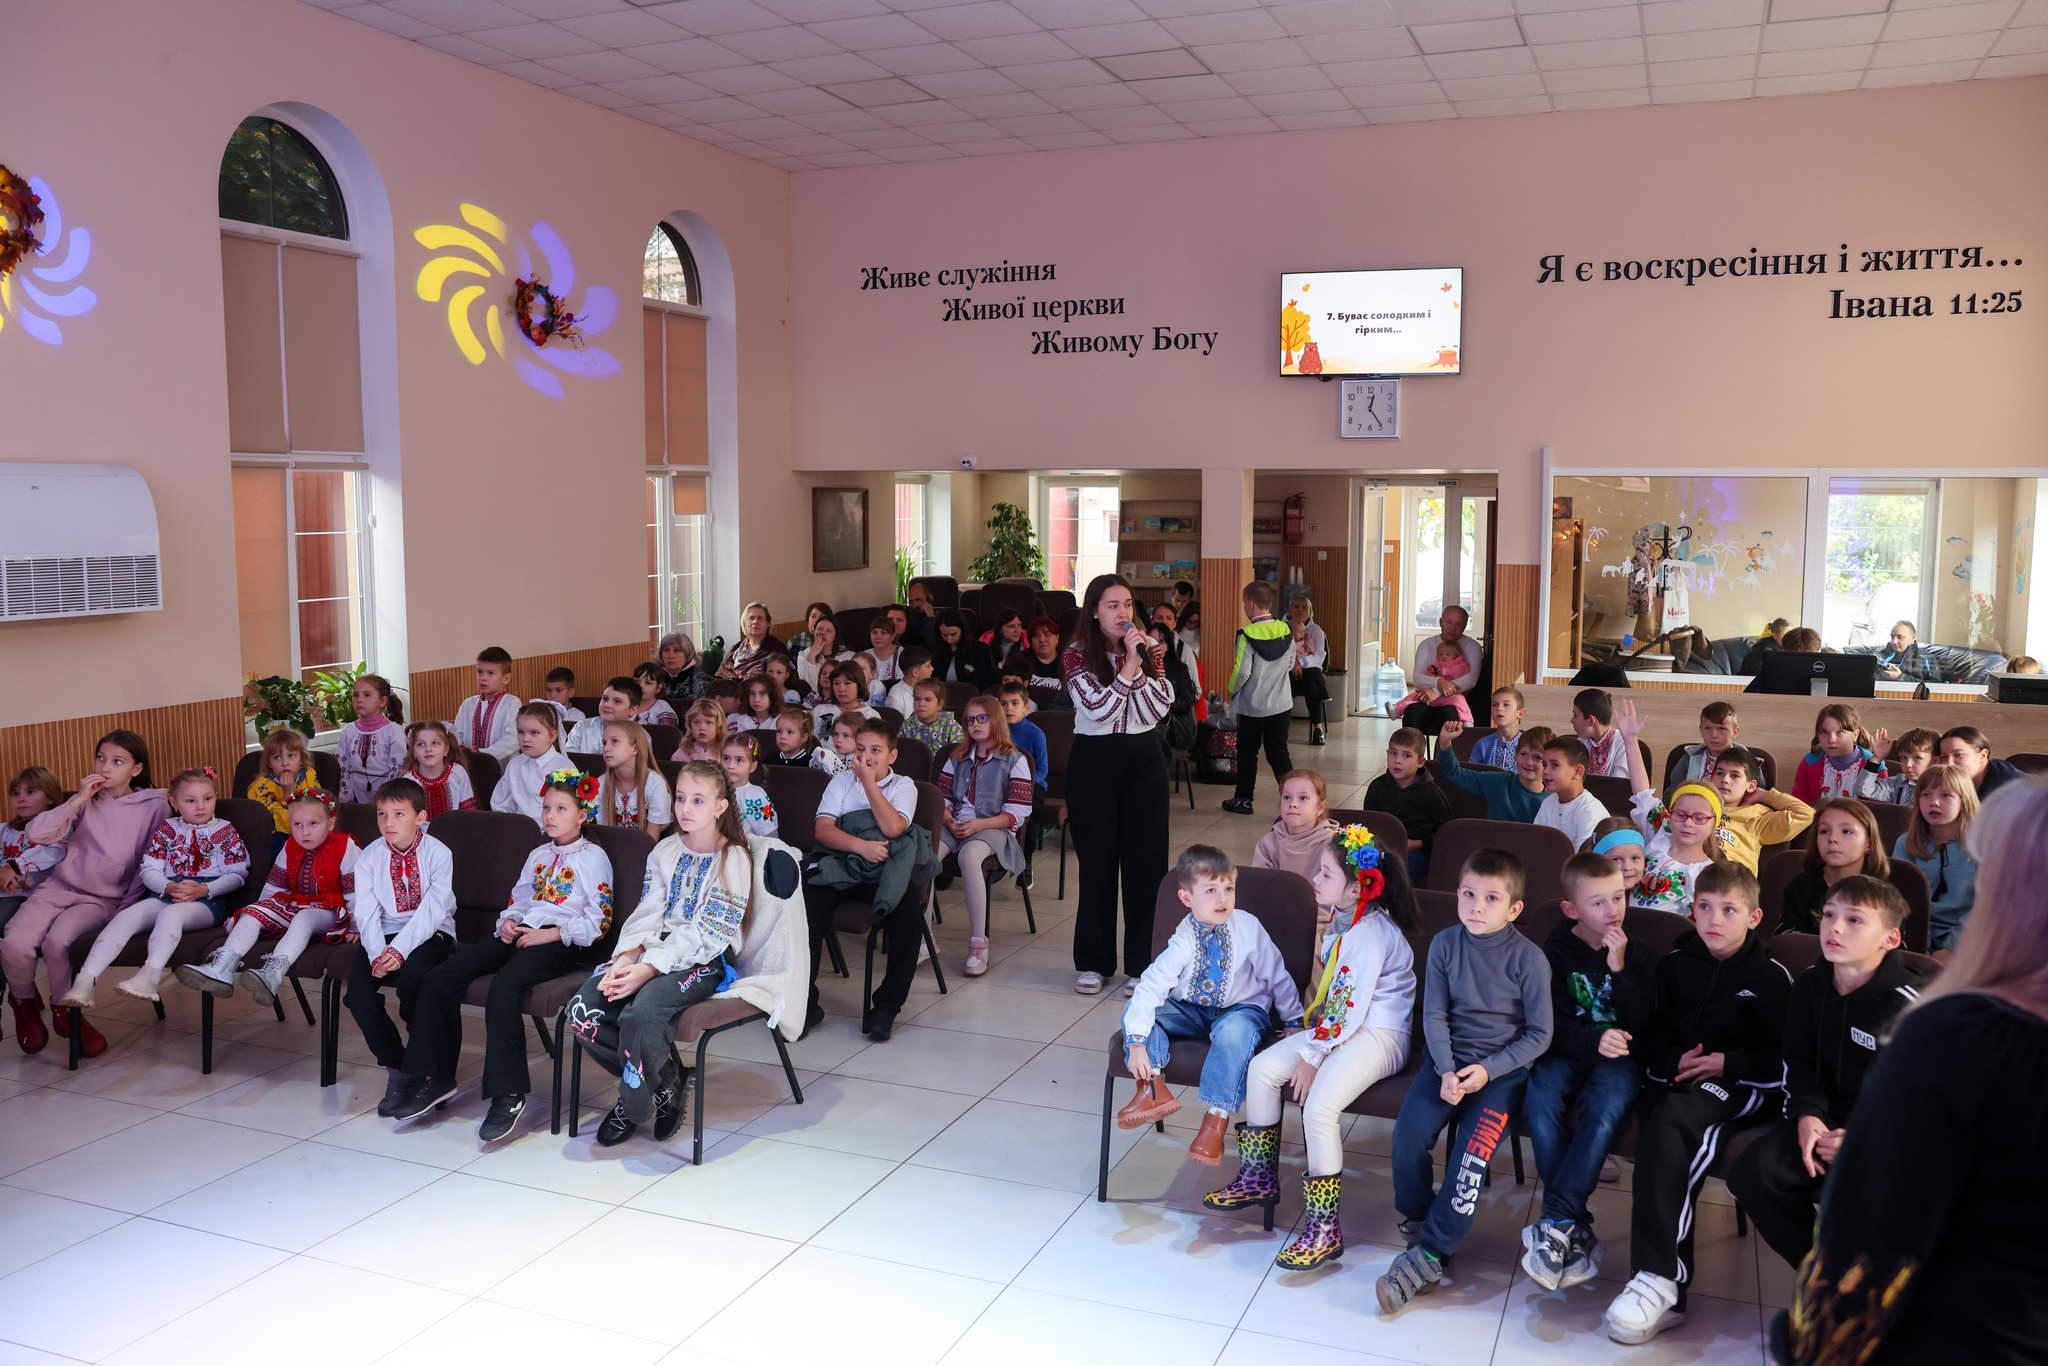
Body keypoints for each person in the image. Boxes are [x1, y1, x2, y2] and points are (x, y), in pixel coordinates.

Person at [1769, 781, 2048, 1366]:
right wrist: (1813, 1117)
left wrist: (1807, 1343)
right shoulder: (1825, 989)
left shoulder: (1954, 1031)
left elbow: (1867, 1249)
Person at [1206, 826, 1414, 1269]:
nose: (1314, 880)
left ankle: (1324, 1229)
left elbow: (1349, 1007)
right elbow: (1337, 1007)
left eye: (1325, 873)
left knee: (1318, 1107)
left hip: (1381, 1034)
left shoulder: (1368, 933)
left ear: (1356, 886)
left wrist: (1310, 1056)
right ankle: (1258, 1177)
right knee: (1262, 1069)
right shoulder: (1347, 920)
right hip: (1345, 1027)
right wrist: (1308, 1037)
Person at [1603, 862, 1789, 1345]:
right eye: (1705, 907)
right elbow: (1650, 1034)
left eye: (1729, 909)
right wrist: (1672, 1060)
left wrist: (1729, 1063)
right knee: (1665, 1117)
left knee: (1679, 1119)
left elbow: (1787, 1059)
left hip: (1743, 1085)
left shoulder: (1772, 977)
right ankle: (1656, 1278)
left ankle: (1661, 1277)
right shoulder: (1674, 965)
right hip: (1676, 1078)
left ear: (1754, 917)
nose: (1715, 919)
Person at [1378, 848, 1552, 1316]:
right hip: (1446, 1065)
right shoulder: (1444, 944)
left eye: (1491, 898)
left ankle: (1431, 1254)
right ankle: (1419, 1221)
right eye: (1469, 894)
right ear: (1457, 894)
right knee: (1409, 1137)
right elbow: (1433, 1013)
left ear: (1514, 909)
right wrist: (1447, 1067)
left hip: (1501, 1078)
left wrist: (1487, 1071)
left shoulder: (1529, 959)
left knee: (1468, 1161)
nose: (1477, 906)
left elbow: (1540, 1035)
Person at [393, 770, 613, 1140]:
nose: (550, 815)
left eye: (561, 808)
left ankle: (508, 1094)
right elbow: (519, 898)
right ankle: (435, 1076)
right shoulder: (538, 853)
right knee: (440, 977)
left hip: (558, 943)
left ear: (582, 815)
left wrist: (551, 935)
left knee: (505, 988)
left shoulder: (594, 858)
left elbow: (599, 919)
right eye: (546, 807)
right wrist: (509, 921)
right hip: (521, 932)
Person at [1729, 875, 1932, 1272]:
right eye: (1829, 915)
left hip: (1887, 1134)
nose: (1834, 928)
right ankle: (1823, 1276)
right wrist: (1808, 1117)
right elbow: (1800, 1063)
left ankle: (1875, 1293)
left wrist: (1863, 1138)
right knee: (1752, 1174)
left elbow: (1923, 1104)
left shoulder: (1911, 1007)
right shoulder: (1810, 985)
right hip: (1823, 1118)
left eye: (1855, 920)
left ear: (1890, 939)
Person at [568, 760, 766, 1148]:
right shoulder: (665, 849)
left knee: (639, 1015)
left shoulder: (733, 859)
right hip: (650, 953)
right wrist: (627, 958)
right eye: (680, 798)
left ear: (720, 807)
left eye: (697, 800)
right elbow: (647, 913)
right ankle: (667, 1082)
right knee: (581, 1009)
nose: (685, 808)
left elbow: (710, 932)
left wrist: (649, 969)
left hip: (703, 961)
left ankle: (633, 1102)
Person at [1115, 845, 1305, 1165]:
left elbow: (1277, 976)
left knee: (1233, 1033)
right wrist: (1135, 1045)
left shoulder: (1247, 926)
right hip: (1191, 1011)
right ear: (1187, 898)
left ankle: (1214, 1122)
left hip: (1241, 1010)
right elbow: (1150, 987)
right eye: (1211, 890)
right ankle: (1152, 1086)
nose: (1222, 899)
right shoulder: (1184, 938)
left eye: (1229, 889)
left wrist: (1293, 1021)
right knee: (1147, 1012)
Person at [1521, 853, 1655, 1291]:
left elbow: (1644, 1026)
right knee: (1541, 1103)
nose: (1612, 910)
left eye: (1618, 897)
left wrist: (1618, 970)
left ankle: (1555, 1221)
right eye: (1598, 902)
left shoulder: (1638, 954)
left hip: (1620, 1060)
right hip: (1567, 1051)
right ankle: (1572, 1226)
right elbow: (1549, 1024)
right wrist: (1590, 1039)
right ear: (1571, 909)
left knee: (1602, 1110)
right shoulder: (1554, 954)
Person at [3, 730, 166, 1057]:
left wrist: (125, 906)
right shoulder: (86, 798)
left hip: (100, 899)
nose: (105, 767)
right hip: (58, 886)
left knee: (58, 942)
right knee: (14, 942)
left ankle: (66, 1011)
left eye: (117, 761)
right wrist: (77, 799)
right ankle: (24, 1003)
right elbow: (37, 832)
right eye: (101, 758)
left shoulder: (154, 807)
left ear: (135, 769)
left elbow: (149, 862)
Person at [1062, 574, 1173, 995]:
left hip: (1144, 759)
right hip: (1094, 761)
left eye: (1127, 604)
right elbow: (1097, 710)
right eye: (1112, 605)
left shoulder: (1152, 648)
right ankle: (1093, 961)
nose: (1122, 613)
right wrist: (1129, 667)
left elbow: (1159, 706)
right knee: (1098, 863)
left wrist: (1138, 663)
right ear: (1094, 610)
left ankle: (1144, 966)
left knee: (1146, 865)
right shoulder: (1076, 655)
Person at [61, 767, 250, 1008]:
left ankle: (150, 976)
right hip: (166, 893)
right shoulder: (168, 829)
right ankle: (85, 981)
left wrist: (205, 890)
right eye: (191, 800)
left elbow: (237, 874)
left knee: (171, 914)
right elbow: (149, 869)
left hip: (206, 902)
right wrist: (168, 886)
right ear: (174, 802)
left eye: (208, 798)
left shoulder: (225, 831)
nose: (201, 806)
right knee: (127, 916)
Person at [801, 718, 934, 1041]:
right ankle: (805, 1003)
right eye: (861, 750)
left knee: (909, 920)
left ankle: (886, 1008)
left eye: (876, 750)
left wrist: (869, 783)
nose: (867, 757)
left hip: (884, 873)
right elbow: (823, 830)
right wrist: (861, 846)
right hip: (844, 864)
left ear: (892, 755)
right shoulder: (841, 782)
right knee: (805, 908)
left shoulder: (904, 786)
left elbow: (893, 829)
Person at [178, 789, 357, 1008]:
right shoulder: (291, 845)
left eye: (313, 824)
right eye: (297, 825)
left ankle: (273, 973)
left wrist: (356, 926)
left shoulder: (345, 846)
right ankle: (222, 967)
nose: (304, 832)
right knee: (252, 913)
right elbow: (275, 886)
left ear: (330, 823)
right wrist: (264, 914)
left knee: (305, 917)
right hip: (296, 905)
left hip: (331, 911)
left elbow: (355, 891)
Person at [342, 780, 458, 1116]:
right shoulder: (369, 857)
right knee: (359, 996)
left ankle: (421, 1048)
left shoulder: (438, 853)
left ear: (420, 816)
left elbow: (433, 910)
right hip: (382, 936)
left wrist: (398, 953)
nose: (388, 823)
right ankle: (399, 1067)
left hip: (429, 933)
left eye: (398, 814)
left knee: (414, 980)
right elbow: (365, 911)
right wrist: (379, 952)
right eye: (381, 814)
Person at [937, 697, 1034, 978]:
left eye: (982, 718)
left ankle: (978, 943)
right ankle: (922, 935)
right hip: (955, 824)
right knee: (927, 855)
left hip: (994, 827)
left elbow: (1017, 812)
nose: (975, 725)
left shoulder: (1014, 760)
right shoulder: (957, 757)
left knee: (969, 856)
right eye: (970, 720)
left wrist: (979, 825)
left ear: (996, 721)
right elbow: (940, 798)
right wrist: (949, 820)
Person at [1614, 699, 1723, 914]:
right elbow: (1641, 793)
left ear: (1714, 824)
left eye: (1699, 818)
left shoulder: (1707, 873)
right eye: (1680, 815)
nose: (1688, 824)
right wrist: (1630, 740)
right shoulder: (1660, 832)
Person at [1222, 580, 1296, 817]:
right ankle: (1296, 799)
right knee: (1278, 752)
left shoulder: (1246, 634)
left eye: (1245, 603)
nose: (1245, 607)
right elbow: (1292, 664)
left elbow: (1242, 671)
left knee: (1247, 753)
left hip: (1252, 707)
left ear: (1251, 604)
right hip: (1281, 704)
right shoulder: (1286, 630)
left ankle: (1243, 799)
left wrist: (1231, 689)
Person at [1892, 763, 1978, 956]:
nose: (1934, 802)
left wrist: (1950, 947)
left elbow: (1987, 907)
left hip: (1970, 936)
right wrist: (1921, 945)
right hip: (1916, 936)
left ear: (1964, 801)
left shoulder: (1985, 844)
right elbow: (1900, 901)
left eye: (1945, 795)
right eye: (1926, 795)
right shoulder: (1906, 842)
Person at [1776, 798, 1889, 934]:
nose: (1832, 838)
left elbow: (1893, 951)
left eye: (1846, 831)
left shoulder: (1884, 896)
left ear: (1868, 844)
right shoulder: (1800, 888)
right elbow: (1788, 945)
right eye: (1824, 831)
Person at [1699, 744, 1814, 873]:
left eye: (1735, 775)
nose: (1724, 779)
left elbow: (1806, 814)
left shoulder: (1756, 817)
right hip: (1690, 874)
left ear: (1751, 785)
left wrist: (1766, 795)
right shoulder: (1694, 807)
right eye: (1720, 773)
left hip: (1732, 881)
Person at [1364, 727, 1452, 878]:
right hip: (1384, 847)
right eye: (1393, 753)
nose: (1397, 760)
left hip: (1419, 852)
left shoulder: (1432, 793)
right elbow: (1369, 823)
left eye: (1406, 755)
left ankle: (1400, 902)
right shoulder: (1377, 787)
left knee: (1398, 867)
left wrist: (1416, 844)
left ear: (1420, 762)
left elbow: (1447, 833)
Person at [1437, 721, 1552, 822]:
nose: (1528, 762)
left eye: (1537, 758)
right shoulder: (1499, 782)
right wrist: (1445, 742)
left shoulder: (1555, 799)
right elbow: (1453, 773)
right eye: (1523, 754)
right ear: (1516, 755)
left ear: (1548, 762)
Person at [1399, 604, 1484, 734]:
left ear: (1465, 626)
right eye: (1448, 622)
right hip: (1425, 700)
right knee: (1412, 711)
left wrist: (1437, 691)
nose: (1452, 628)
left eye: (1458, 624)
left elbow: (1470, 680)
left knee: (1450, 714)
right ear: (1440, 622)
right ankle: (1411, 752)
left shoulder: (1473, 647)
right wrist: (1438, 682)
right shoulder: (1426, 644)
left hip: (1454, 703)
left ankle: (1444, 753)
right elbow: (1417, 678)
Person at [0, 767, 65, 931]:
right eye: (15, 793)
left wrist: (13, 867)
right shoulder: (5, 829)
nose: (21, 798)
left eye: (30, 792)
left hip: (29, 898)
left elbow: (53, 852)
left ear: (50, 797)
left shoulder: (59, 830)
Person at [490, 703, 571, 820]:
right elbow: (501, 805)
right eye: (520, 732)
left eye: (534, 733)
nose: (525, 739)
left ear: (552, 736)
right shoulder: (514, 765)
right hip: (518, 830)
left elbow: (568, 812)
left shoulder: (564, 768)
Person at [1252, 769, 1339, 877]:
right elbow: (1259, 885)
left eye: (1303, 798)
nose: (1293, 804)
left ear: (1320, 807)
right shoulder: (1267, 844)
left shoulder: (1333, 845)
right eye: (1287, 797)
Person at [336, 673, 407, 803]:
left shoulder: (393, 731)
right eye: (355, 695)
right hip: (355, 799)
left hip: (386, 799)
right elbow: (343, 766)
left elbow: (397, 769)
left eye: (367, 695)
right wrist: (348, 799)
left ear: (382, 701)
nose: (359, 700)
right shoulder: (348, 731)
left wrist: (382, 799)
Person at [249, 727, 320, 848]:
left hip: (306, 829)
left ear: (301, 759)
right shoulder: (264, 787)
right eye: (277, 758)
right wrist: (288, 794)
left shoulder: (309, 775)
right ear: (269, 763)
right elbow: (285, 827)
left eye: (291, 756)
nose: (285, 763)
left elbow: (320, 807)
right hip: (275, 836)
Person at [1536, 736, 1610, 850]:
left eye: (1554, 765)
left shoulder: (1589, 812)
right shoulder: (1548, 803)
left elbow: (1583, 863)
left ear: (1577, 772)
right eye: (1545, 765)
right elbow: (1536, 846)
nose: (1545, 771)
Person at [1792, 703, 1876, 803]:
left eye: (1839, 732)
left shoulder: (1874, 765)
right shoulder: (1809, 762)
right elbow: (1799, 800)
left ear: (1855, 735)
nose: (1831, 739)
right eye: (1824, 732)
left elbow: (1879, 809)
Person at [598, 720, 671, 833]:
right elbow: (604, 834)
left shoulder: (654, 784)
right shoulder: (601, 784)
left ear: (635, 749)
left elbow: (651, 841)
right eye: (604, 743)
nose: (606, 749)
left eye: (615, 741)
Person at [452, 646, 520, 761]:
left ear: (506, 678)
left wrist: (482, 753)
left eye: (490, 673)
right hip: (469, 764)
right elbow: (457, 734)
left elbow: (512, 739)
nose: (483, 678)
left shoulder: (512, 703)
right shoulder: (467, 704)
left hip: (502, 768)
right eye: (479, 672)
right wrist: (458, 748)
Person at [401, 720, 475, 820]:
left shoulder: (458, 773)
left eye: (435, 743)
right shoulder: (407, 781)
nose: (428, 749)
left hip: (456, 831)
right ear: (413, 752)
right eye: (421, 744)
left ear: (446, 749)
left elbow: (469, 814)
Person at [1664, 700, 1741, 797]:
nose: (1713, 735)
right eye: (1708, 728)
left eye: (1721, 729)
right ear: (1701, 730)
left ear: (1735, 732)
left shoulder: (1748, 763)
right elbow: (1671, 795)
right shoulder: (1688, 759)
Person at [1287, 594, 1331, 745]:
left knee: (1312, 686)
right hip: (1286, 670)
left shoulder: (1315, 630)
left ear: (1310, 612)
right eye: (1296, 606)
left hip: (1308, 672)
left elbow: (1319, 656)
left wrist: (1299, 662)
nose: (1300, 610)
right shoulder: (1282, 626)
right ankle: (1276, 728)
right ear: (1290, 609)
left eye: (1304, 607)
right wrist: (1291, 665)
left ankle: (1318, 728)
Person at [1938, 724, 2025, 801]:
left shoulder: (2002, 790)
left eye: (1959, 754)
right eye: (1944, 757)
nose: (1949, 763)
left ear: (1983, 755)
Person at [719, 735, 779, 838]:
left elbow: (769, 836)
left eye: (739, 760)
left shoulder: (754, 795)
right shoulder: (711, 790)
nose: (730, 766)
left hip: (745, 849)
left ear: (752, 766)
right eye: (726, 758)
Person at [1861, 725, 1938, 804]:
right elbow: (1864, 790)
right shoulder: (1897, 783)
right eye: (1904, 757)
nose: (1908, 764)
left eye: (1917, 758)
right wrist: (1876, 758)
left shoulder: (1944, 786)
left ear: (1935, 761)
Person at [996, 680, 1049, 792]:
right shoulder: (994, 731)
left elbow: (1042, 770)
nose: (1009, 708)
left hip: (1032, 785)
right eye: (1003, 704)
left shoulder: (1036, 734)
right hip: (999, 784)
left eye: (1015, 703)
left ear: (1026, 708)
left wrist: (1020, 785)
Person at [1572, 688, 1632, 778]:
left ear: (1591, 721)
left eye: (1575, 715)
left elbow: (1619, 784)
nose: (1572, 720)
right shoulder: (1580, 743)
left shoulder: (1622, 742)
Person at [566, 677, 636, 755]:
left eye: (617, 701)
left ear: (633, 710)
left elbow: (642, 765)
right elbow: (569, 761)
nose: (608, 704)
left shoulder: (640, 736)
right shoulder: (581, 727)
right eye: (605, 699)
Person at [717, 601, 783, 681]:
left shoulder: (777, 649)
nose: (755, 622)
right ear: (744, 623)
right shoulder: (736, 649)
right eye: (751, 618)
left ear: (767, 624)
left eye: (760, 618)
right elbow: (720, 675)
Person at [932, 609, 995, 690]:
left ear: (963, 631)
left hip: (969, 695)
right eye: (944, 635)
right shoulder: (936, 649)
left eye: (953, 634)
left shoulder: (980, 649)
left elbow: (981, 681)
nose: (949, 639)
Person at [1015, 616, 1069, 712]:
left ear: (1057, 638)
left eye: (1047, 634)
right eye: (1036, 636)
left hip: (1060, 715)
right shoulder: (1020, 660)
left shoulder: (1069, 660)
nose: (1042, 639)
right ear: (1031, 641)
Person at [810, 661, 878, 736]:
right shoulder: (820, 710)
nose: (841, 689)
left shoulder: (870, 715)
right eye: (836, 683)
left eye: (847, 683)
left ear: (858, 685)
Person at [899, 676, 963, 755]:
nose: (921, 704)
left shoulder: (951, 726)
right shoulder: (906, 725)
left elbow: (958, 755)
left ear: (939, 704)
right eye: (917, 699)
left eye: (928, 700)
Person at [1471, 687, 1527, 769]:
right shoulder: (1483, 744)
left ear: (1520, 713)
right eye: (1495, 705)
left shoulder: (1529, 745)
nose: (1499, 709)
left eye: (1506, 704)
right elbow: (1471, 776)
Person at [798, 614, 852, 697]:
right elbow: (809, 686)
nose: (823, 633)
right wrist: (812, 654)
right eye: (819, 629)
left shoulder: (848, 656)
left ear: (835, 637)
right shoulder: (803, 655)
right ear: (814, 632)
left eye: (829, 631)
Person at [652, 631, 708, 707]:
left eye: (677, 650)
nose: (671, 656)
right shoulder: (654, 676)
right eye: (666, 650)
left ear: (687, 653)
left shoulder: (701, 680)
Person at [858, 615, 906, 702]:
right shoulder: (864, 655)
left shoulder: (902, 654)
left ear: (893, 636)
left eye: (883, 632)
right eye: (874, 632)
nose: (878, 636)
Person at [884, 645, 934, 718]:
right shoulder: (896, 695)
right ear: (915, 672)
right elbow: (895, 724)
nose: (932, 668)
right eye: (928, 666)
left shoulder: (932, 689)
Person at [676, 698, 727, 763]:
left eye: (708, 722)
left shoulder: (728, 753)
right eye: (696, 722)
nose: (702, 728)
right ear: (690, 725)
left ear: (719, 724)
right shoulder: (680, 755)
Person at [631, 664, 681, 728]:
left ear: (658, 688)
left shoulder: (663, 709)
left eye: (648, 683)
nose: (640, 686)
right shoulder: (624, 704)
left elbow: (668, 735)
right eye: (637, 681)